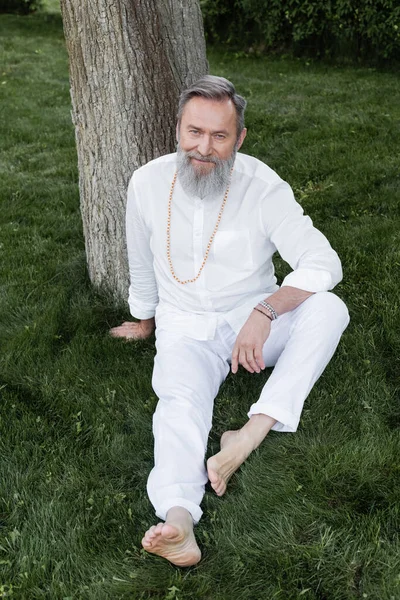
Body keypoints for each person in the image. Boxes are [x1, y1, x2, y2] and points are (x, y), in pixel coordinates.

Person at [110, 75, 349, 567]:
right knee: (179, 402)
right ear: (177, 128)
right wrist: (143, 319)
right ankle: (178, 519)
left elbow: (325, 264)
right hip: (185, 324)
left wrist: (266, 311)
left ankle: (251, 432)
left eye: (220, 136)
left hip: (251, 320)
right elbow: (139, 259)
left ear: (239, 138)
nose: (204, 148)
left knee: (330, 308)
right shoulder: (147, 182)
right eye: (194, 132)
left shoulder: (263, 185)